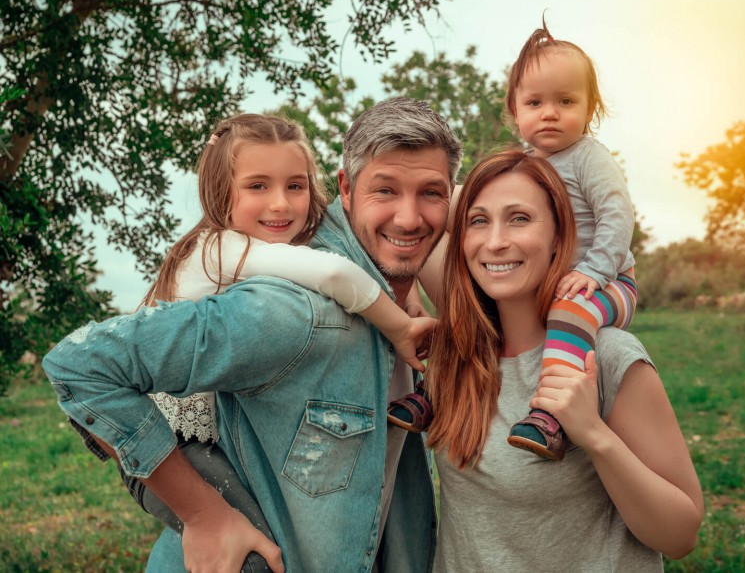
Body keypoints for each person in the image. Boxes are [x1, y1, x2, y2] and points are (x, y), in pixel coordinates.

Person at [43, 97, 462, 572]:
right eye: (384, 191)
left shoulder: (384, 276)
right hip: (182, 443)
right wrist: (204, 515)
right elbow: (81, 362)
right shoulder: (287, 305)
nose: (409, 218)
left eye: (432, 193)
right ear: (345, 188)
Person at [424, 150, 703, 570]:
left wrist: (594, 435)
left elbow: (680, 535)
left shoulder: (606, 357)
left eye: (520, 218)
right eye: (477, 221)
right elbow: (415, 218)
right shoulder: (461, 353)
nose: (496, 241)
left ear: (560, 236)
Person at [389, 23, 639, 462]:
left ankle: (549, 415)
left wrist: (594, 272)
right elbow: (454, 210)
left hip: (609, 282)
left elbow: (617, 214)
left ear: (589, 109)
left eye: (566, 101)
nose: (550, 113)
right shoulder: (521, 168)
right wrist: (406, 281)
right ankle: (433, 392)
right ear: (514, 110)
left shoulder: (588, 158)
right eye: (535, 102)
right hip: (555, 280)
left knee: (569, 309)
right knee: (471, 311)